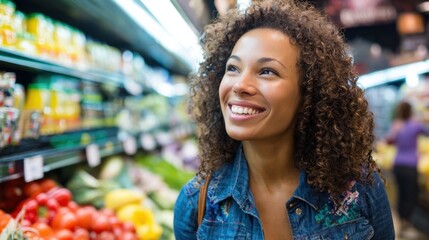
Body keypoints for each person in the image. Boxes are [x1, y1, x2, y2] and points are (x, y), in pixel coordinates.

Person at [174, 0, 395, 239]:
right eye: (233, 68)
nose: (240, 85)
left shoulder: (360, 190)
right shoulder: (197, 203)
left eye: (267, 71)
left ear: (310, 92)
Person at [386, 101, 428, 233]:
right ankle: (410, 222)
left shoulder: (397, 125)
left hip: (397, 164)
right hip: (410, 166)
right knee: (411, 196)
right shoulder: (415, 125)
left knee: (401, 195)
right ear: (410, 111)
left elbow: (389, 141)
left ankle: (402, 222)